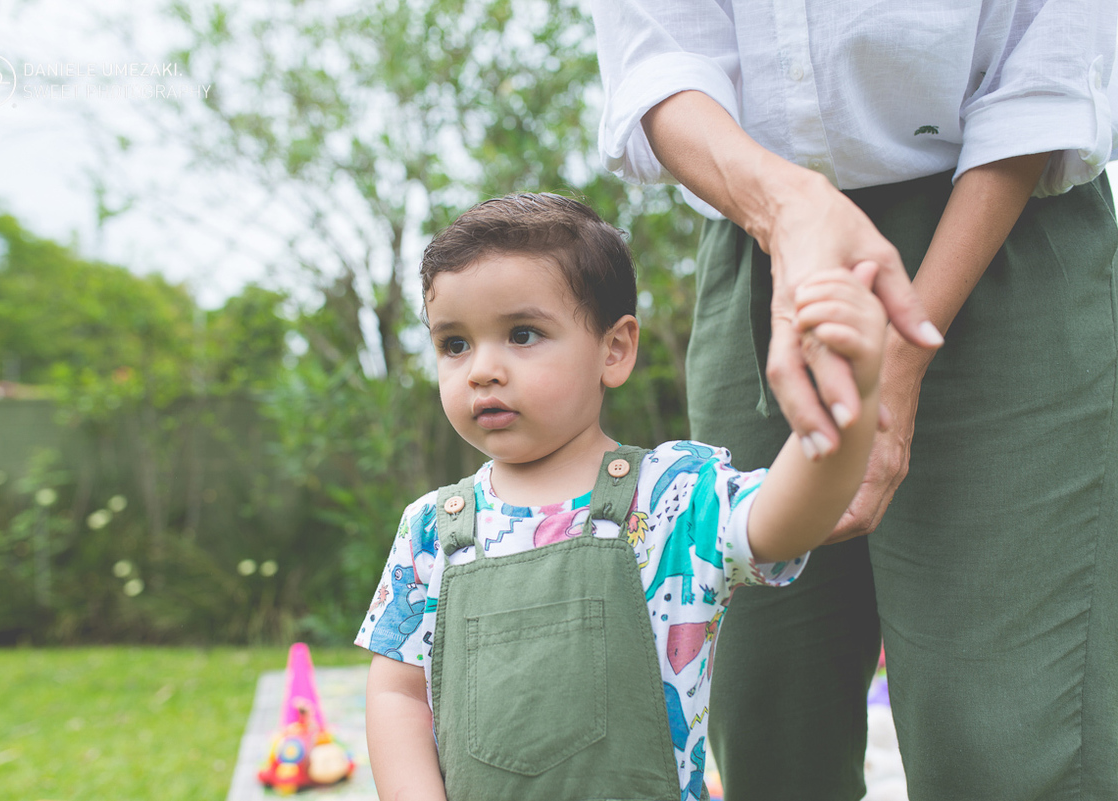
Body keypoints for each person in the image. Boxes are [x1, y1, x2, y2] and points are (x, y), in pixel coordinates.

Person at [591, 3, 1118, 799]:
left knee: (1005, 739)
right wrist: (785, 209)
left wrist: (904, 351)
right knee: (770, 723)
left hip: (1000, 227)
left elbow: (1044, 70)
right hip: (759, 242)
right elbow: (659, 62)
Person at [356, 192, 890, 800]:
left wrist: (848, 398)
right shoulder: (432, 529)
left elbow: (782, 523)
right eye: (455, 344)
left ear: (614, 350)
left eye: (522, 333)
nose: (481, 369)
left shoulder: (672, 496)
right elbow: (398, 692)